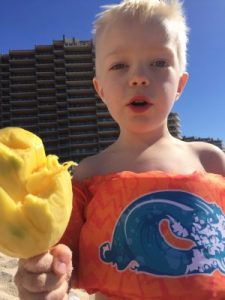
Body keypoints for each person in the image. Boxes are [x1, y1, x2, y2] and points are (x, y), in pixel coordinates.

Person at [14, 0, 225, 299]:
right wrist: (47, 276)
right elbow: (64, 254)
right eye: (119, 65)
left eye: (159, 62)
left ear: (180, 84)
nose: (138, 76)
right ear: (101, 90)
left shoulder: (210, 159)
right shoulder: (89, 173)